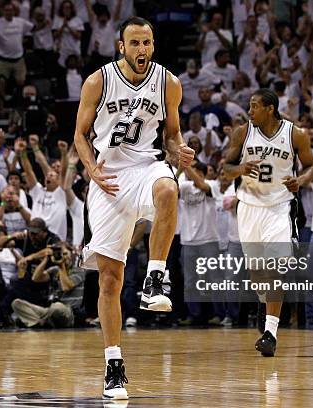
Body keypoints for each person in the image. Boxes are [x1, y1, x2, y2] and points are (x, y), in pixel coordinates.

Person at [73, 17, 194, 400]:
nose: (142, 49)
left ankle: (156, 278)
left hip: (146, 165)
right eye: (135, 43)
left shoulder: (168, 83)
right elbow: (79, 135)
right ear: (121, 47)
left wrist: (181, 151)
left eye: (147, 43)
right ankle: (113, 364)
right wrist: (92, 169)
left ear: (153, 45)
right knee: (110, 279)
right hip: (108, 176)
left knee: (168, 190)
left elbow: (171, 137)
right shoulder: (98, 81)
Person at [223, 88, 313, 357]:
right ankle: (265, 304)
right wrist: (239, 169)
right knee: (257, 274)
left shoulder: (295, 134)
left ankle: (270, 333)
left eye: (254, 106)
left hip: (280, 207)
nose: (249, 112)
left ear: (270, 109)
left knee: (276, 269)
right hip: (249, 207)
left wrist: (301, 180)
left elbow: (311, 167)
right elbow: (225, 168)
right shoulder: (242, 133)